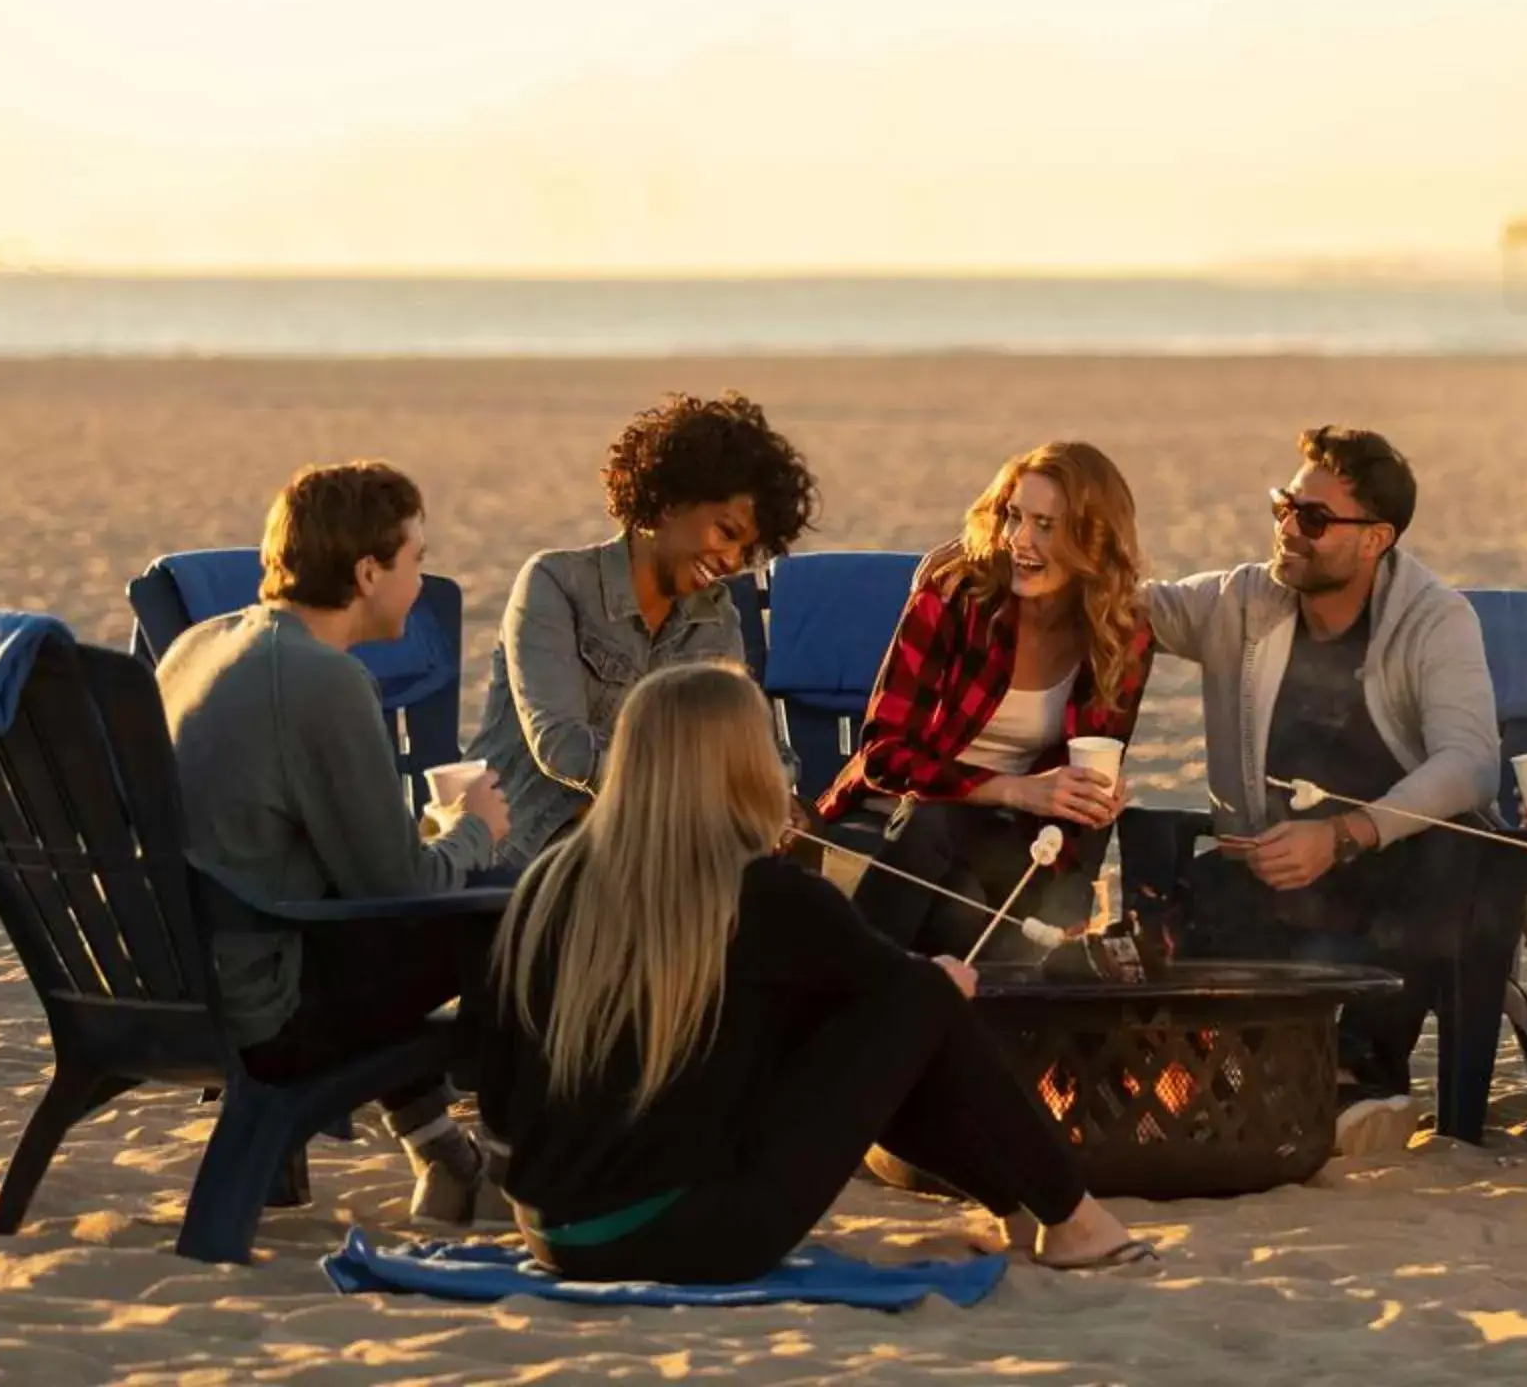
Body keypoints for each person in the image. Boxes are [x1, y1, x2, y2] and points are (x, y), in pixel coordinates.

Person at [465, 662, 1150, 1279]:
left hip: (550, 1231)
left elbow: (492, 1087)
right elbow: (905, 1012)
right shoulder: (765, 893)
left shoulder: (549, 881)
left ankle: (1024, 1210)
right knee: (918, 994)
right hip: (688, 1235)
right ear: (741, 769)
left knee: (889, 998)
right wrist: (941, 989)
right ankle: (1071, 1216)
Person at [160, 460, 511, 1222]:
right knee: (515, 918)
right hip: (265, 1012)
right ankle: (507, 1168)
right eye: (416, 559)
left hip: (175, 981)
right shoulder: (320, 678)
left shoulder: (199, 645)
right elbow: (400, 892)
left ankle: (445, 1152)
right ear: (366, 571)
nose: (422, 581)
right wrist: (473, 828)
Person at [1142, 426, 1502, 1156]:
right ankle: (1229, 1080)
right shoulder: (1247, 600)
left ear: (1376, 539)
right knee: (1195, 885)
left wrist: (1342, 836)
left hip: (1390, 867)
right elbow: (1136, 610)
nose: (1288, 531)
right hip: (1272, 866)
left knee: (1453, 854)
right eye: (1284, 507)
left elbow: (1469, 762)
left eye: (1312, 519)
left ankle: (1357, 1078)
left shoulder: (1435, 618)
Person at [814, 442, 1153, 960]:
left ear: (1092, 540)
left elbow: (1082, 778)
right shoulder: (954, 598)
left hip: (1006, 837)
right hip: (899, 818)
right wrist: (1012, 790)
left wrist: (1092, 802)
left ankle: (860, 1004)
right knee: (949, 871)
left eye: (1046, 525)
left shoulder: (1120, 637)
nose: (1020, 540)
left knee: (970, 906)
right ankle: (853, 990)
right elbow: (884, 756)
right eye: (1014, 516)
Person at [466, 391, 819, 869]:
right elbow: (562, 746)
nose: (733, 562)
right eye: (726, 532)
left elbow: (753, 740)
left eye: (747, 549)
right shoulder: (555, 582)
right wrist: (689, 800)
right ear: (671, 503)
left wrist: (777, 797)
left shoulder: (714, 615)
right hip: (533, 852)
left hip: (653, 853)